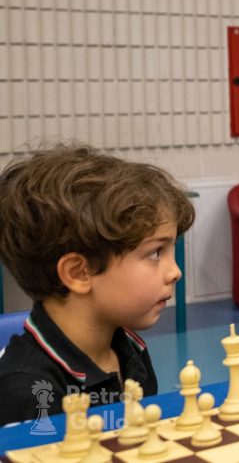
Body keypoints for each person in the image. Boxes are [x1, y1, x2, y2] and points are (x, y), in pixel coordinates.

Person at [0, 145, 194, 426]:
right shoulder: (24, 391)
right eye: (155, 253)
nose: (175, 272)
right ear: (79, 273)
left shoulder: (130, 350)